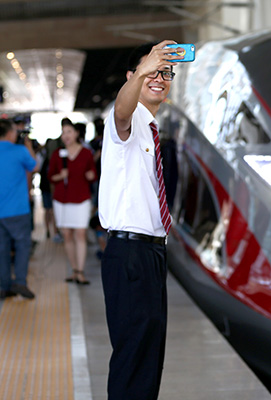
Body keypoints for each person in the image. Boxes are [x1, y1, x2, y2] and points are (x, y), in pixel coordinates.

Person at [98, 40, 183, 400]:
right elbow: (120, 108)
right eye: (151, 72)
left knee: (149, 356)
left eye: (166, 73)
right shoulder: (127, 119)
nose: (160, 78)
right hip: (129, 253)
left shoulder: (151, 128)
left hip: (150, 254)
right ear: (134, 76)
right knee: (134, 356)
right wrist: (149, 64)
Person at [48, 118, 96, 285]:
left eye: (69, 132)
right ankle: (74, 269)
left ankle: (80, 271)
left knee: (80, 233)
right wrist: (60, 176)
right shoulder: (57, 155)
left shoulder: (86, 153)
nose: (66, 135)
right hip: (62, 199)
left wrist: (91, 176)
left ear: (76, 133)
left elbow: (93, 173)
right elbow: (50, 177)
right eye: (63, 133)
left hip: (81, 198)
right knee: (67, 234)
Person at [0, 119, 37, 299]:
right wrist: (28, 145)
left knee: (2, 248)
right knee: (23, 246)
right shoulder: (20, 151)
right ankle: (20, 283)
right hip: (17, 210)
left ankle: (3, 286)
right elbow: (35, 165)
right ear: (9, 133)